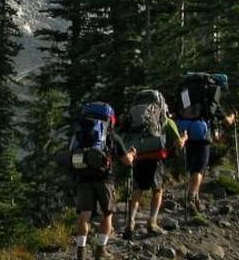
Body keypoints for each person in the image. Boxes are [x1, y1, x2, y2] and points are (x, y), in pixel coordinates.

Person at [70, 102, 135, 260]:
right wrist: (132, 154)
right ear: (109, 118)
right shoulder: (111, 135)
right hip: (105, 179)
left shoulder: (78, 134)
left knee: (84, 215)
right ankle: (100, 250)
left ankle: (81, 251)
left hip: (84, 177)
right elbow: (127, 161)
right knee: (107, 214)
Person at [122, 92, 187, 239]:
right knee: (157, 190)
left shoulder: (135, 118)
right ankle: (152, 222)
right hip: (156, 158)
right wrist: (184, 137)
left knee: (137, 190)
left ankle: (130, 222)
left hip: (138, 156)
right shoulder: (165, 119)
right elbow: (179, 145)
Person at [177, 108, 236, 214]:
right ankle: (191, 197)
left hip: (185, 129)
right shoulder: (207, 96)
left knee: (193, 168)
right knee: (200, 168)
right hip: (201, 132)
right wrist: (231, 117)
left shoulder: (186, 91)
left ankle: (196, 199)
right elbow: (218, 114)